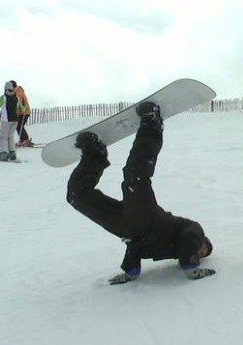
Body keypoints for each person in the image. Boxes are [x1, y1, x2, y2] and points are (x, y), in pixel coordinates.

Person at [66, 101, 215, 284]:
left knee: (77, 197)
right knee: (135, 176)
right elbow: (190, 239)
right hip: (151, 219)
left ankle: (94, 156)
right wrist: (191, 267)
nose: (202, 252)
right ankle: (152, 124)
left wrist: (131, 273)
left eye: (203, 255)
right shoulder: (195, 232)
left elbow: (136, 249)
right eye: (205, 249)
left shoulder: (168, 252)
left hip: (128, 229)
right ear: (204, 242)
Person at [10, 80, 33, 147]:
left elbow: (17, 103)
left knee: (19, 126)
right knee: (19, 126)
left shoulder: (18, 91)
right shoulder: (16, 91)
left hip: (24, 112)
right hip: (22, 112)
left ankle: (25, 140)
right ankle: (24, 139)